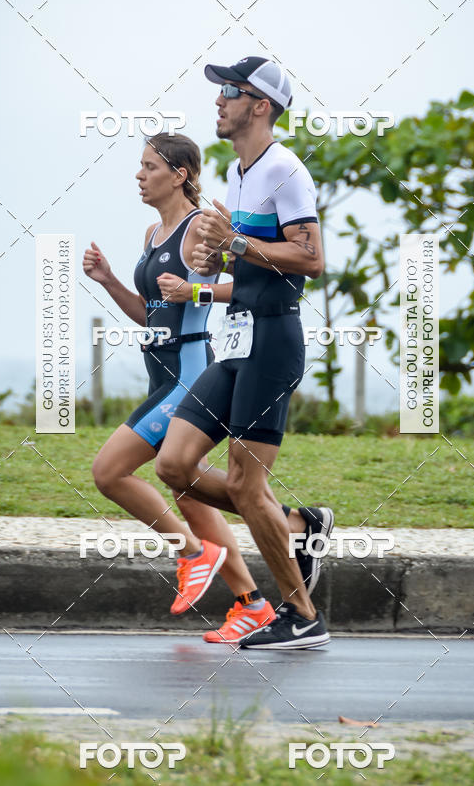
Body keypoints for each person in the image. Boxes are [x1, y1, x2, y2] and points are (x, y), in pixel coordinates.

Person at [156, 58, 334, 649]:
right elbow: (249, 265)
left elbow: (310, 258)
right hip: (236, 341)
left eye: (230, 92)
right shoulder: (238, 172)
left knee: (245, 485)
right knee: (174, 465)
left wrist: (235, 242)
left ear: (260, 106)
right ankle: (297, 525)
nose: (219, 101)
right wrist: (210, 269)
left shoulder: (285, 169)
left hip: (272, 344)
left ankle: (302, 617)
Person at [83, 132, 275, 643]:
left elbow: (249, 285)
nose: (139, 175)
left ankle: (193, 552)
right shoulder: (154, 233)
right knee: (187, 491)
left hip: (188, 376)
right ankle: (252, 605)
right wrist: (109, 280)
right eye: (140, 166)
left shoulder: (201, 228)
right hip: (160, 373)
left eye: (149, 166)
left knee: (109, 471)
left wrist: (197, 291)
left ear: (179, 175)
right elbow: (152, 315)